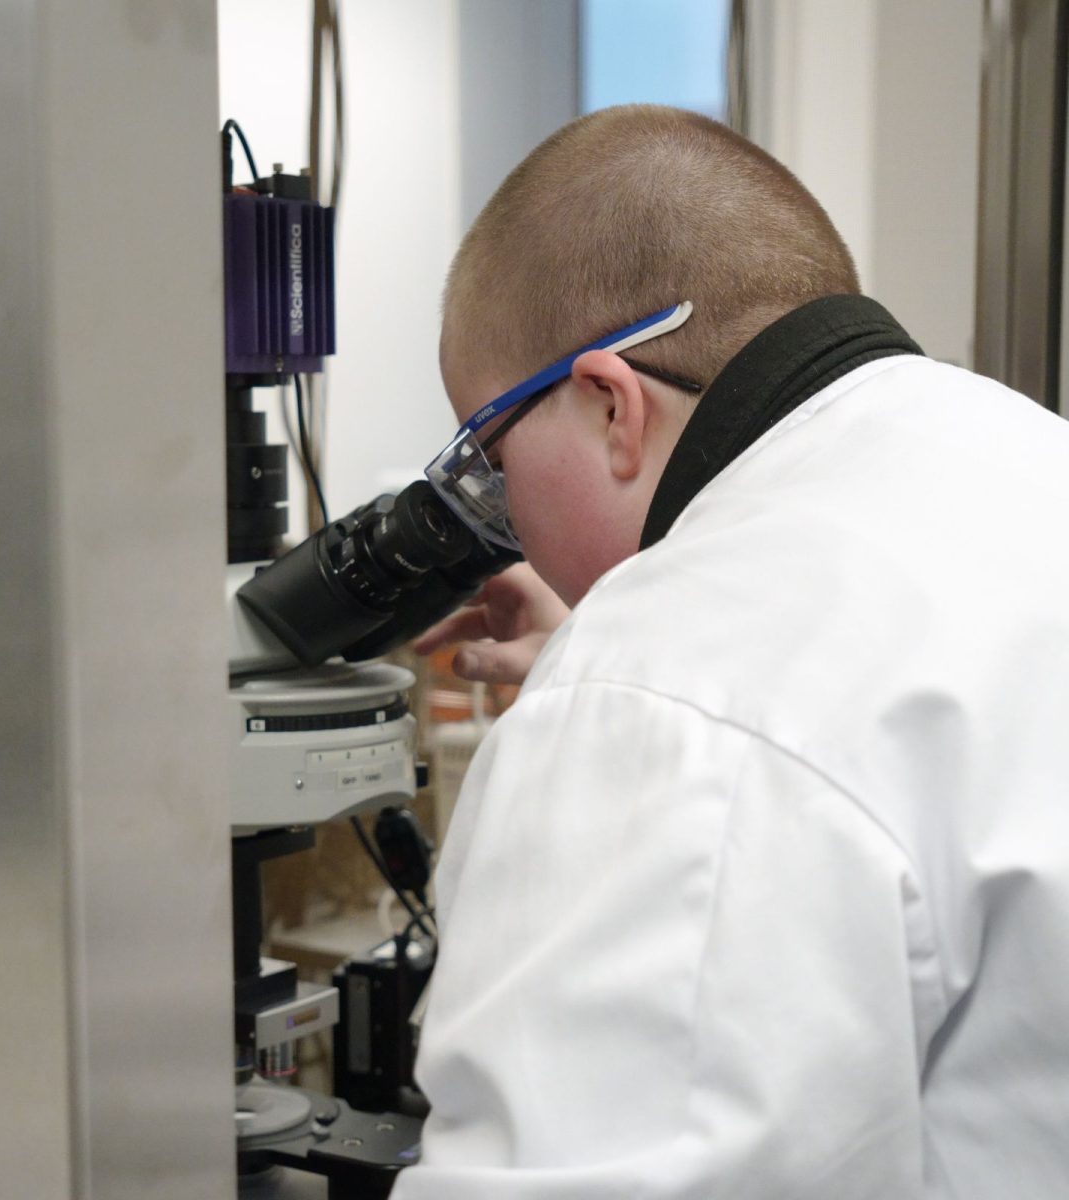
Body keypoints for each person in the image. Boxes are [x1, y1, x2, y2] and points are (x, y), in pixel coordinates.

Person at [392, 104, 1069, 1199]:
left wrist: (620, 703)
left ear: (610, 403)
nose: (501, 518)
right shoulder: (1016, 454)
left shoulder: (667, 689)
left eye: (488, 460)